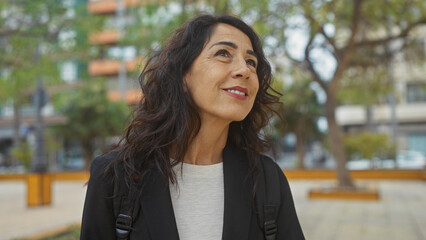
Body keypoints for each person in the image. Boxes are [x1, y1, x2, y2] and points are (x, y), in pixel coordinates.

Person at [80, 14, 305, 240]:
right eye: (223, 53)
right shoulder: (115, 177)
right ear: (182, 76)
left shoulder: (267, 179)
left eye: (251, 62)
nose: (244, 70)